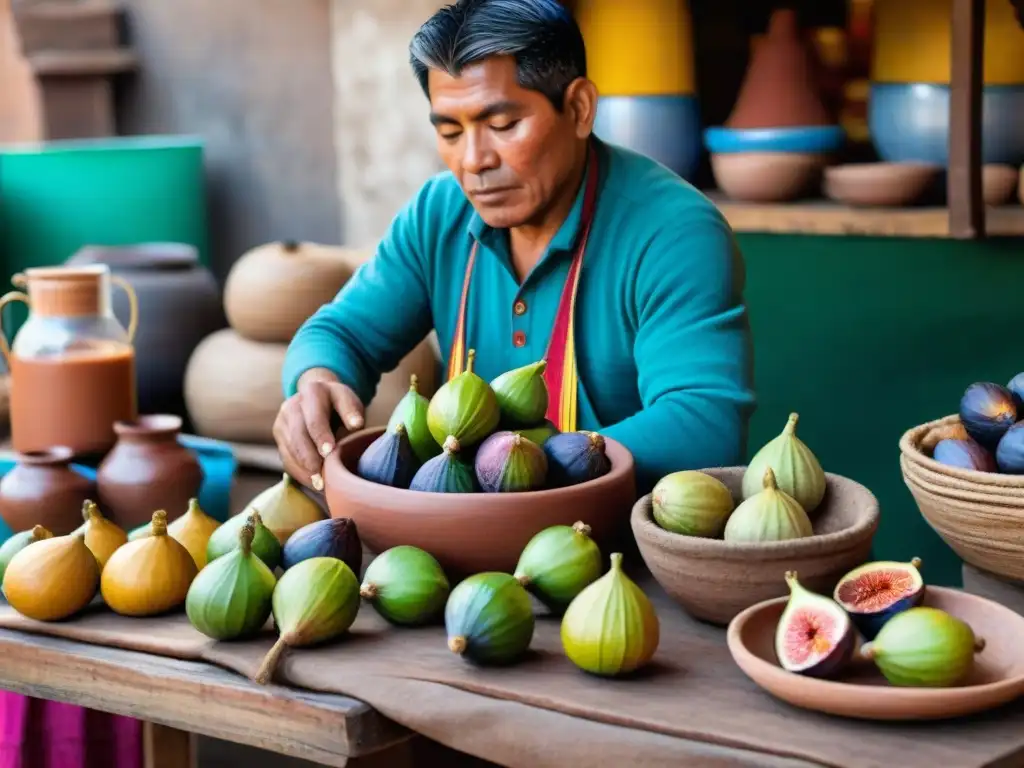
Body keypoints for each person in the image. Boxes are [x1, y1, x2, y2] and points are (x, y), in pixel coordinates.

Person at [275, 0, 755, 495]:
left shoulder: (673, 232)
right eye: (450, 131)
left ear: (579, 109)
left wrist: (516, 468)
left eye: (502, 126)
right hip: (462, 533)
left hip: (620, 544)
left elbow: (703, 424)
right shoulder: (439, 214)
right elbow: (342, 332)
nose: (474, 160)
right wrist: (315, 380)